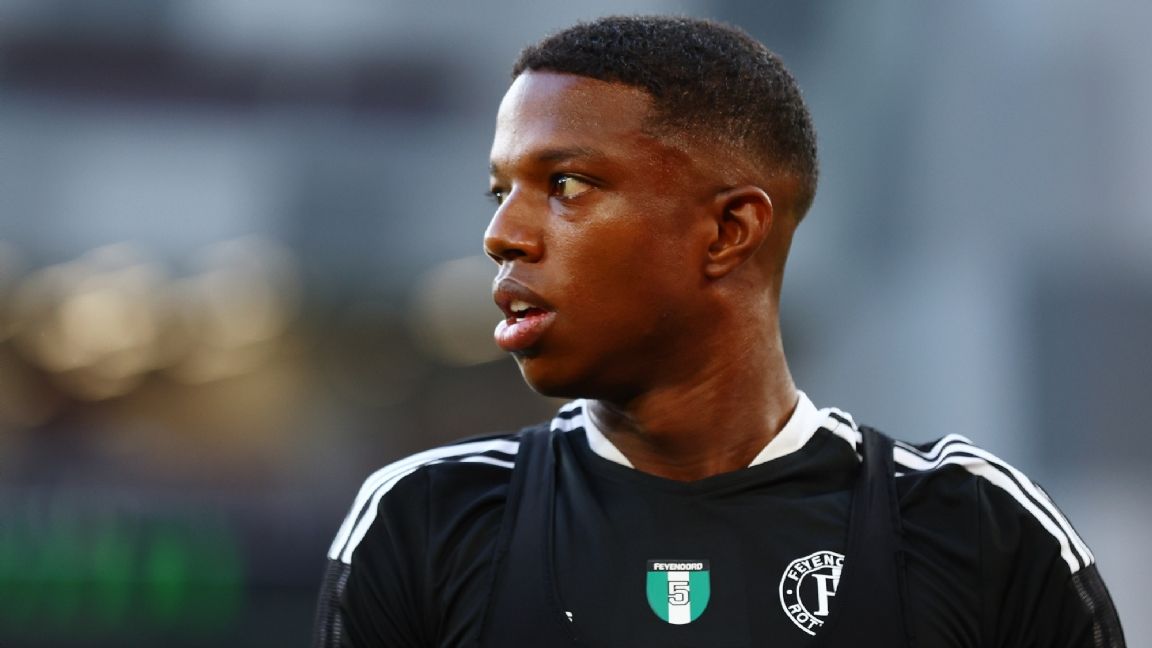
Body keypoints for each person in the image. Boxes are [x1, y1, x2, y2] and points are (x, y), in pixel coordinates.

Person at [313, 15, 1125, 647]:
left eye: (566, 184)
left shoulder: (974, 528)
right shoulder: (426, 520)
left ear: (730, 231)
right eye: (501, 192)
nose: (502, 235)